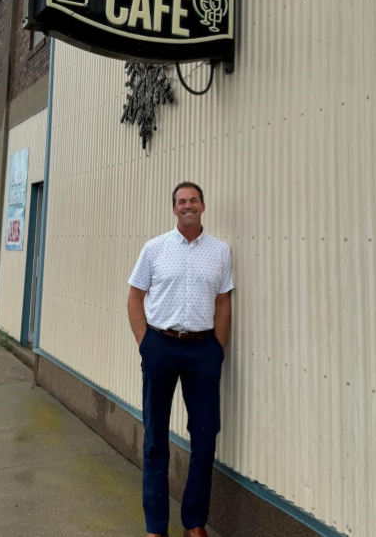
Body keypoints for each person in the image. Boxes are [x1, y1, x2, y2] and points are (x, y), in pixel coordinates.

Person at [127, 181, 234, 537]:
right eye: (181, 201)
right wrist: (147, 345)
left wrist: (217, 348)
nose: (187, 205)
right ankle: (156, 526)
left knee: (205, 437)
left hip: (203, 351)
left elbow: (223, 301)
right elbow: (135, 297)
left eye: (193, 200)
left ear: (203, 206)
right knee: (155, 437)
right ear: (174, 209)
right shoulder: (155, 248)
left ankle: (194, 522)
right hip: (161, 345)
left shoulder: (220, 251)